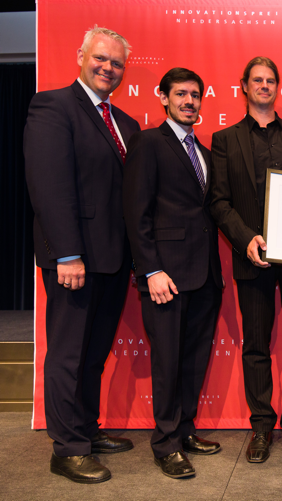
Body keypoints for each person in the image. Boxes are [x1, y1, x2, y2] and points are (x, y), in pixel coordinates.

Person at [24, 26, 140, 483]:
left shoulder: (125, 123)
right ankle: (67, 448)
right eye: (101, 58)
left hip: (113, 259)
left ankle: (87, 429)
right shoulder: (52, 107)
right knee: (68, 354)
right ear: (81, 56)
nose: (108, 68)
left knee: (93, 353)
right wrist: (68, 255)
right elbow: (49, 187)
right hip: (75, 261)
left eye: (117, 63)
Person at [209, 57, 282, 469]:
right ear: (244, 86)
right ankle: (261, 427)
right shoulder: (225, 139)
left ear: (278, 86)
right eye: (257, 80)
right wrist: (246, 239)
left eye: (270, 80)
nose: (264, 85)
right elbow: (219, 201)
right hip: (252, 255)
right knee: (256, 344)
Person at [123, 68, 224, 478]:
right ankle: (165, 443)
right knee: (167, 361)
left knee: (193, 359)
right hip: (165, 276)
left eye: (195, 95)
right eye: (181, 94)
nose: (189, 101)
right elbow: (136, 212)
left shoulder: (205, 152)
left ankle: (184, 430)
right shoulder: (148, 142)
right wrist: (151, 269)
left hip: (205, 275)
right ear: (163, 97)